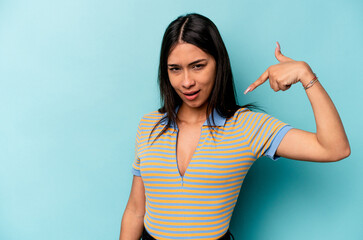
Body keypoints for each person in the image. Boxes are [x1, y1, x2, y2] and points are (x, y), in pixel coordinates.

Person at [119, 13, 350, 240]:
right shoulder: (149, 125)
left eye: (198, 66)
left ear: (218, 63)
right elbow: (135, 210)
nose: (186, 81)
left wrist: (306, 76)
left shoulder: (249, 126)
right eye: (175, 69)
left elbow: (335, 148)